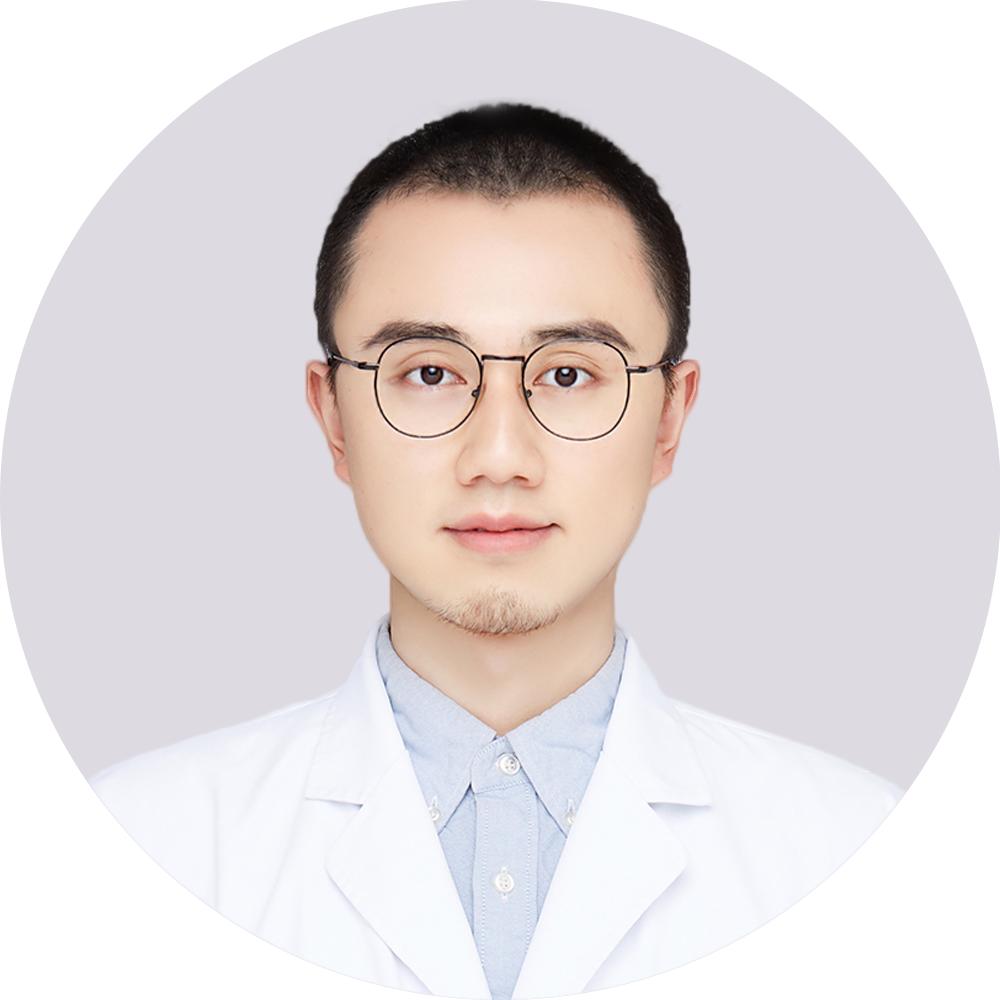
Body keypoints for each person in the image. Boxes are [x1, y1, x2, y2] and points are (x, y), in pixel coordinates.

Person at [89, 102, 902, 1000]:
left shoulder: (863, 855)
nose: (501, 457)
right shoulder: (131, 849)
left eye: (569, 374)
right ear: (334, 419)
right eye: (429, 373)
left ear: (670, 417)